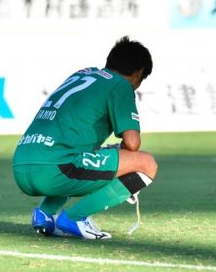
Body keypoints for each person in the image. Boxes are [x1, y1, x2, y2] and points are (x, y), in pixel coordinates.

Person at [12, 36, 157, 240]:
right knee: (146, 164)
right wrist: (127, 176)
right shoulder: (120, 85)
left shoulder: (82, 74)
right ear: (138, 73)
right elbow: (133, 143)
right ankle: (74, 218)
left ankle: (44, 213)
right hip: (53, 169)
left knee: (79, 155)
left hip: (21, 164)